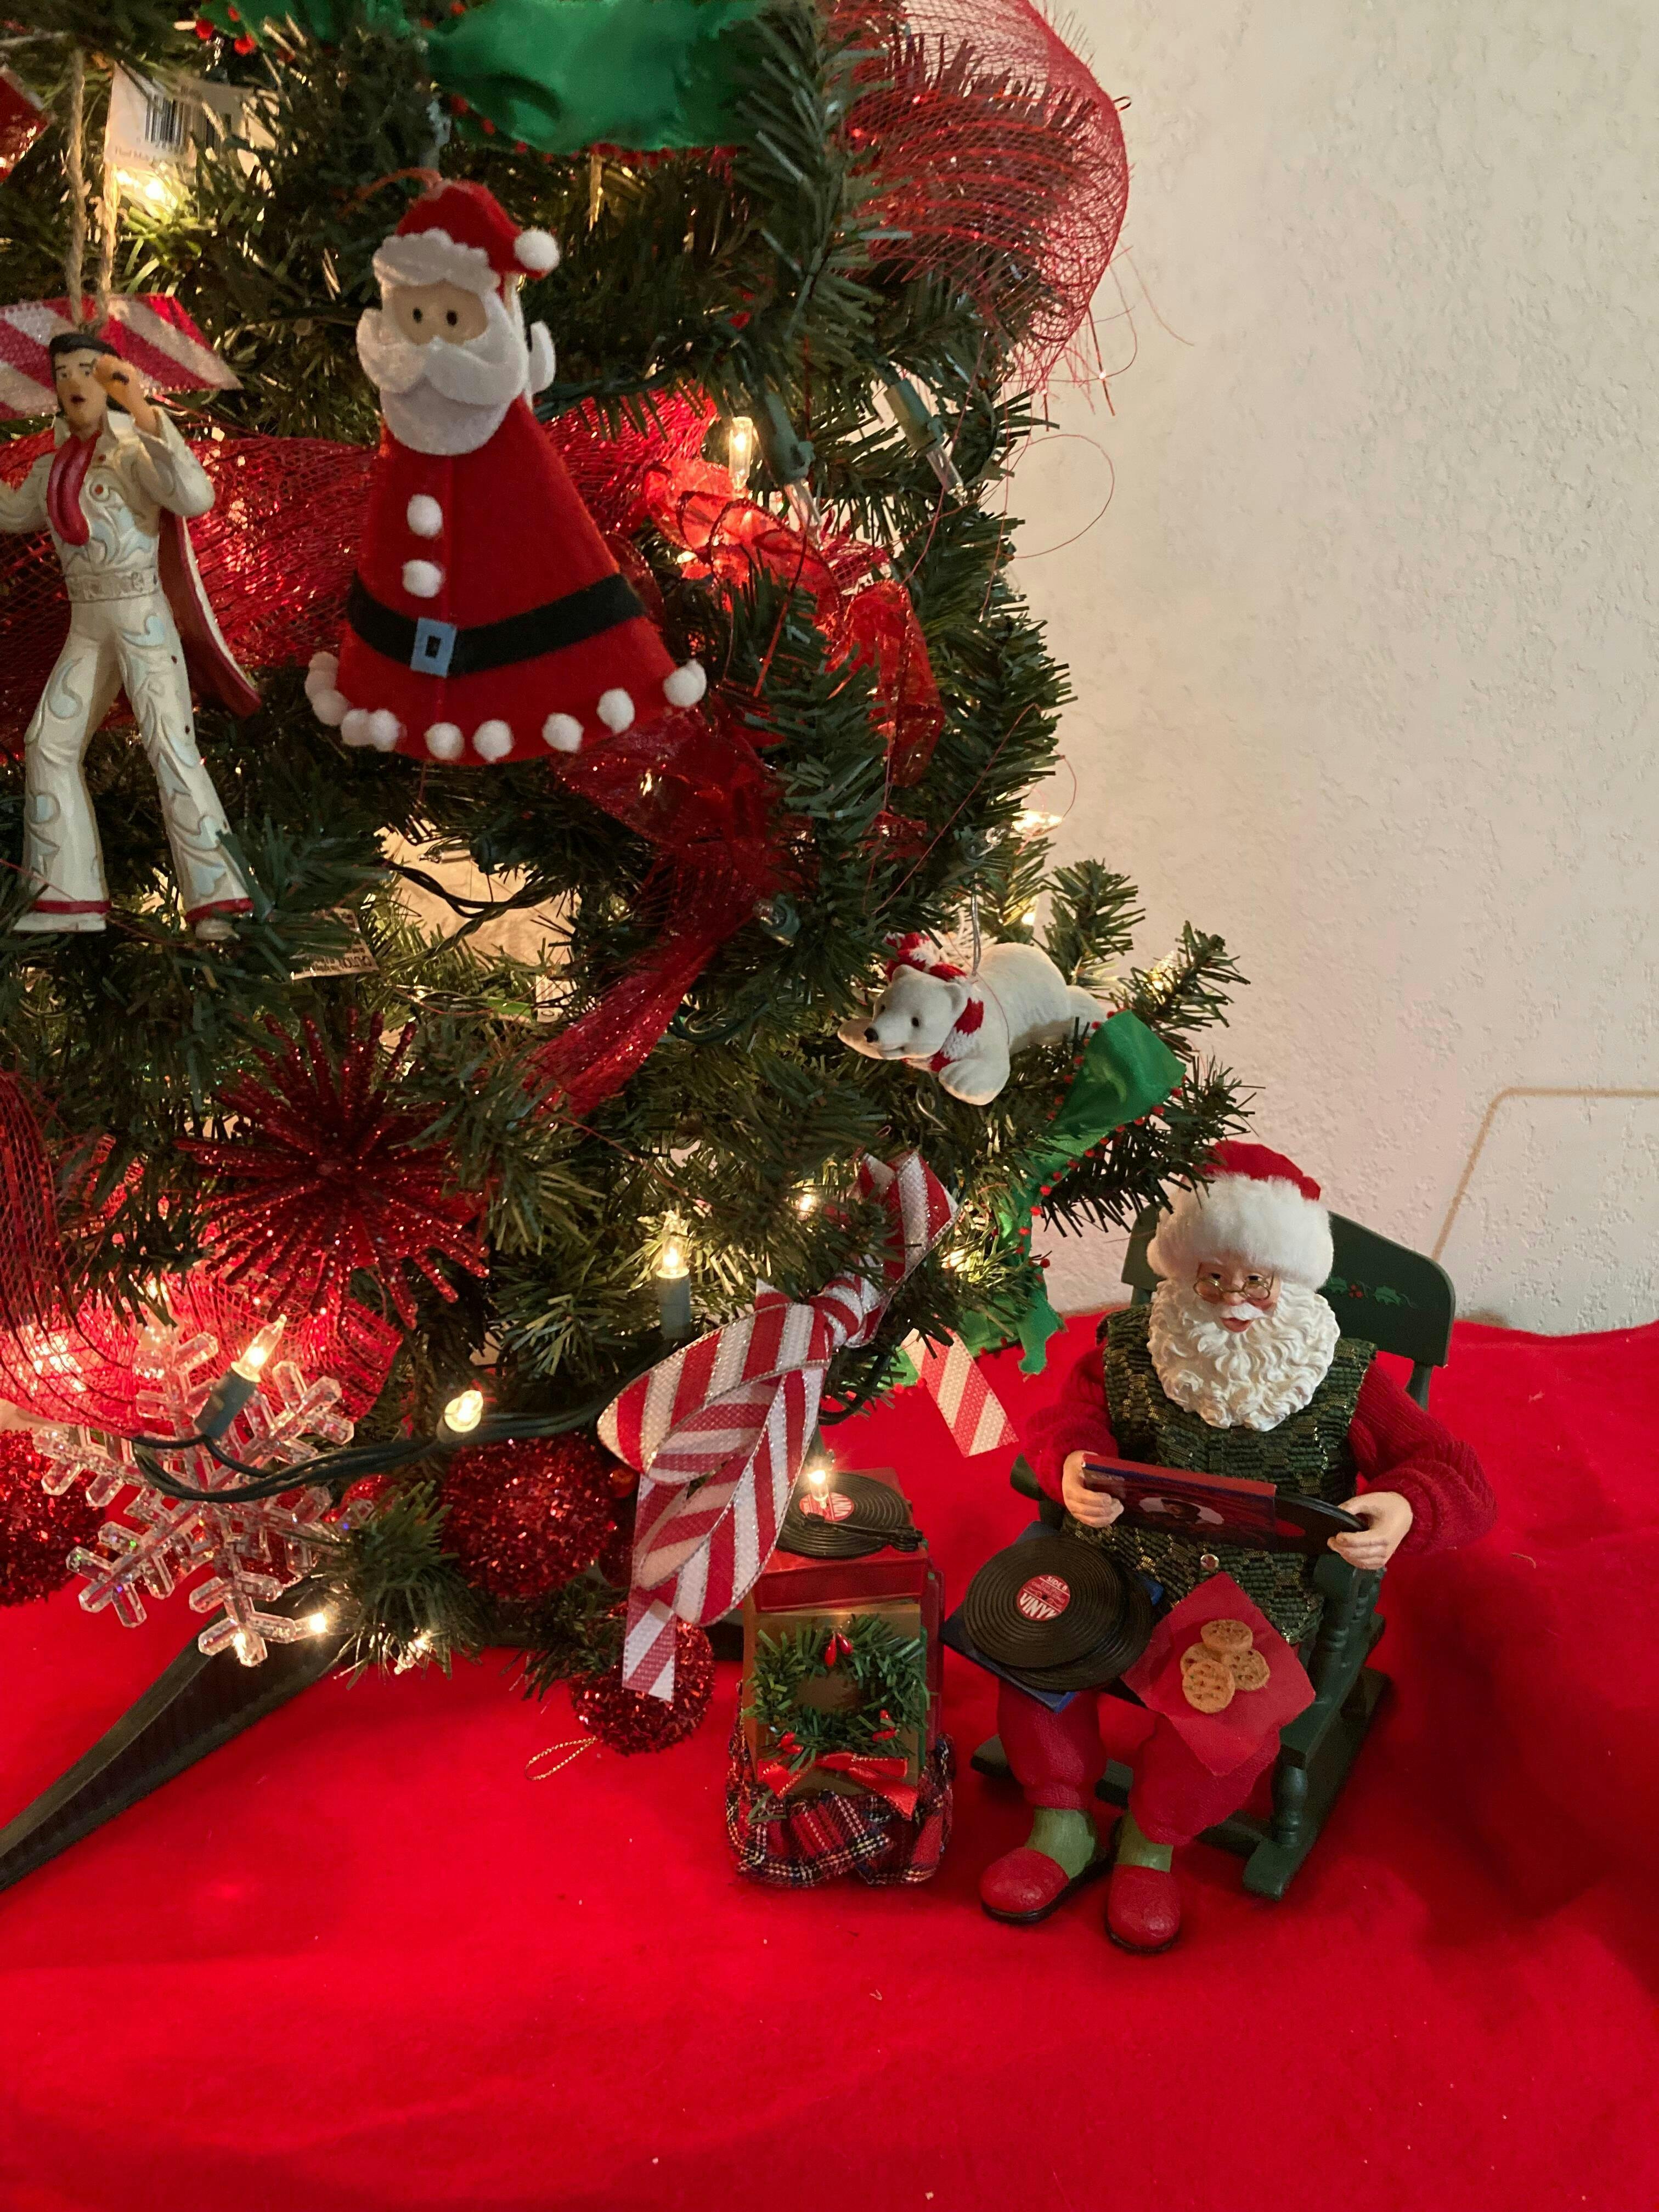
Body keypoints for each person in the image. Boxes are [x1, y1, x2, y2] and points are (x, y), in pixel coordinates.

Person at [979, 1141, 1496, 1953]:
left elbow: (1455, 1475)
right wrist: (1071, 1463)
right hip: (1117, 1562)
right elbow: (1065, 1420)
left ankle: (1152, 1840)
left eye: (1256, 1280)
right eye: (1211, 1276)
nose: (1230, 1300)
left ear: (1290, 1277)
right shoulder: (1131, 1346)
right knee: (1033, 1647)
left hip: (1254, 1593)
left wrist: (1403, 1507)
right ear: (1183, 1269)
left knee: (1228, 1724)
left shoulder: (1340, 1377)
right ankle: (1061, 1819)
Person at [306, 178, 705, 765]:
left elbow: (560, 549)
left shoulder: (513, 445)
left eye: (452, 317)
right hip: (388, 685)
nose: (432, 343)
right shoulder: (406, 430)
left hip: (528, 681)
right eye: (416, 316)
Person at [0, 330, 257, 938]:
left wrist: (143, 411)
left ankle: (220, 900)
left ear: (110, 380)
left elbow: (195, 495)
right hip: (87, 624)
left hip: (143, 618)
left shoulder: (135, 454)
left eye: (86, 369)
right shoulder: (51, 467)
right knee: (48, 743)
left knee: (169, 745)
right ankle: (66, 895)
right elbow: (13, 514)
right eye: (63, 372)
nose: (73, 382)